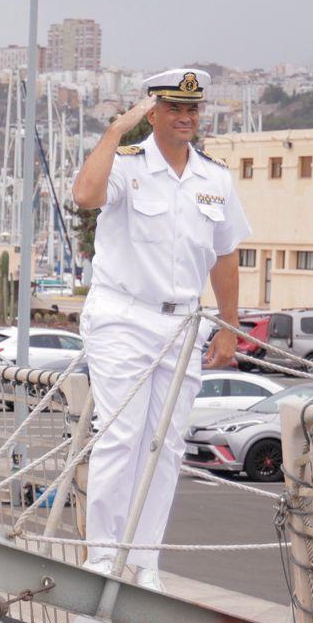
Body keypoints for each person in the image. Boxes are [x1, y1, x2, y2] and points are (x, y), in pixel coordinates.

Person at [69, 68, 250, 593]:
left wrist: (229, 326)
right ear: (153, 114)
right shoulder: (126, 164)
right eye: (174, 108)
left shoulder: (214, 179)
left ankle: (145, 559)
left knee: (166, 444)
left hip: (183, 322)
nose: (186, 117)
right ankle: (104, 554)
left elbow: (225, 255)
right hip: (123, 314)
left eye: (192, 109)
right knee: (121, 433)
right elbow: (85, 195)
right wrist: (113, 132)